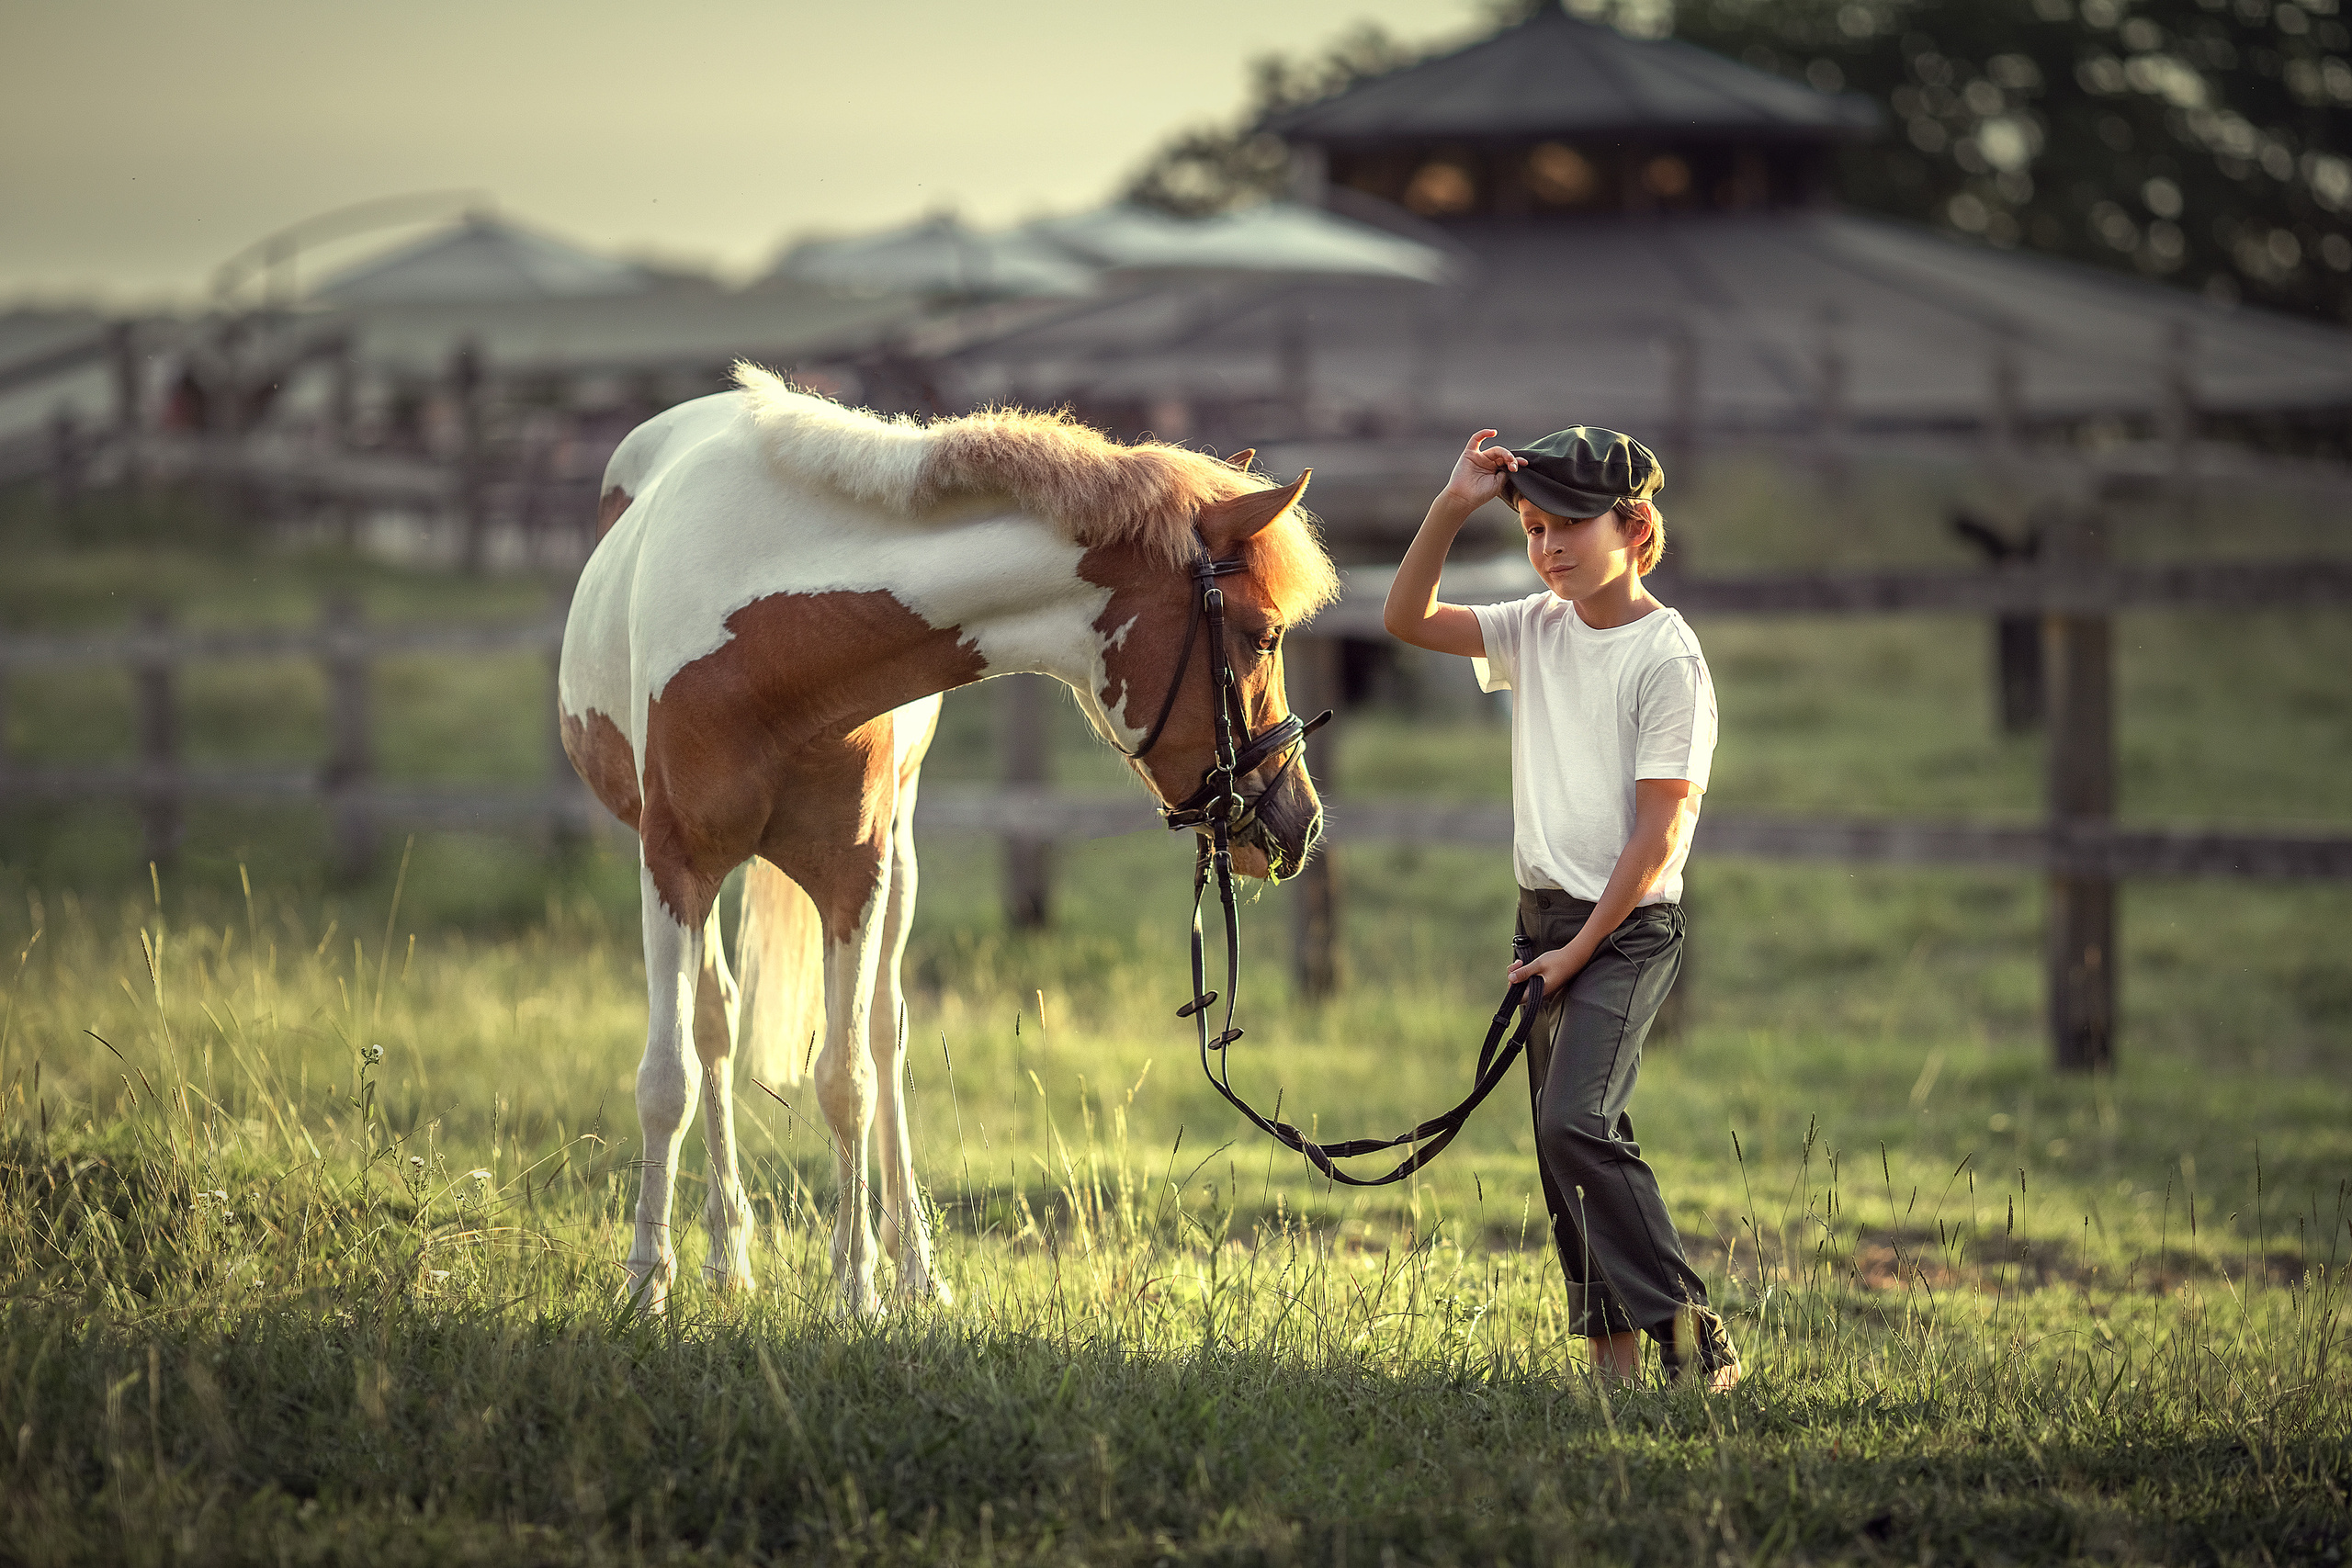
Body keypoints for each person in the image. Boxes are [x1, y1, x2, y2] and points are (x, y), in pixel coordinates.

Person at [1382, 426, 1740, 1392]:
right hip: (1544, 923)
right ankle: (1614, 1368)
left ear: (1636, 526)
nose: (1549, 550)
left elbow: (1659, 837)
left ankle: (1692, 1338)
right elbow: (1406, 618)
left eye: (1570, 526)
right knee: (1564, 1153)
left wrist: (1581, 950)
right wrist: (1453, 505)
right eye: (1535, 529)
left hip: (1622, 930)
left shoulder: (1669, 659)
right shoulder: (1534, 627)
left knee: (1574, 1123)